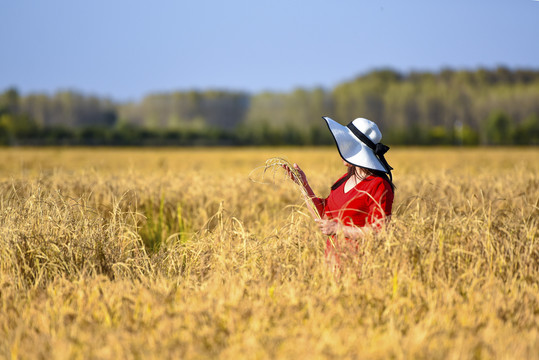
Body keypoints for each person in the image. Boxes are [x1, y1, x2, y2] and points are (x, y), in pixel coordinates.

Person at [285, 116, 395, 266]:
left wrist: (339, 229)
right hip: (332, 266)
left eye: (348, 145)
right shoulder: (344, 179)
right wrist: (303, 185)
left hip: (360, 267)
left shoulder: (379, 185)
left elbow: (380, 232)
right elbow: (323, 215)